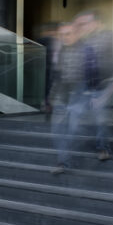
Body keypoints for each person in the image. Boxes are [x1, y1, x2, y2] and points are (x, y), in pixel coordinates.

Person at [74, 10, 113, 161]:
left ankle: (103, 148)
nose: (83, 26)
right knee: (75, 115)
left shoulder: (109, 38)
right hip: (84, 84)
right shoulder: (82, 40)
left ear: (96, 23)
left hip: (101, 84)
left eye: (85, 23)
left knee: (100, 116)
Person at [49, 22, 86, 174]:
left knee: (73, 128)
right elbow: (57, 75)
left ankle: (66, 161)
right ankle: (63, 161)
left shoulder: (86, 50)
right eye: (62, 34)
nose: (64, 37)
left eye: (68, 34)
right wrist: (51, 96)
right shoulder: (62, 51)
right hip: (63, 94)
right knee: (57, 129)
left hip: (80, 93)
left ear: (77, 34)